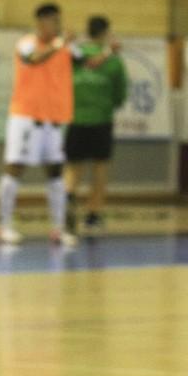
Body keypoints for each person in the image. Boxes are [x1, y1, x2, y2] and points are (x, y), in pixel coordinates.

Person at [0, 3, 86, 245]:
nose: (58, 26)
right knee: (15, 167)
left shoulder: (65, 47)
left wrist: (104, 50)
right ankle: (3, 225)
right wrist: (59, 44)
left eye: (59, 21)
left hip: (53, 119)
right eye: (53, 21)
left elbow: (86, 62)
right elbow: (34, 59)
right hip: (26, 117)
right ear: (41, 22)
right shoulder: (27, 43)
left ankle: (58, 228)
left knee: (56, 171)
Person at [63, 15, 127, 235]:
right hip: (101, 120)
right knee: (100, 169)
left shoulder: (74, 56)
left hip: (76, 120)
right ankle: (93, 216)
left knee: (73, 168)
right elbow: (120, 95)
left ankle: (67, 205)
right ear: (106, 33)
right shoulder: (114, 61)